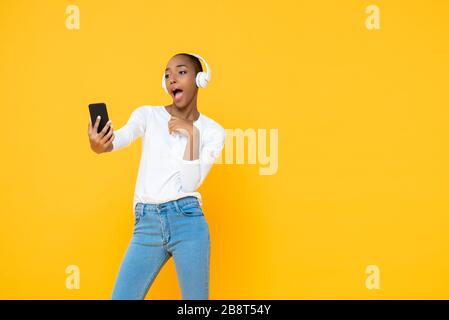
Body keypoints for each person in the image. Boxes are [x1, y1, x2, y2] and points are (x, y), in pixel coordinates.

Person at [87, 53, 226, 300]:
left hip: (188, 222)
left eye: (181, 72)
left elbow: (191, 182)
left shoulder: (213, 131)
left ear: (200, 79)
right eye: (167, 74)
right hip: (147, 224)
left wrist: (191, 135)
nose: (172, 79)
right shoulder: (147, 115)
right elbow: (122, 137)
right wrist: (102, 145)